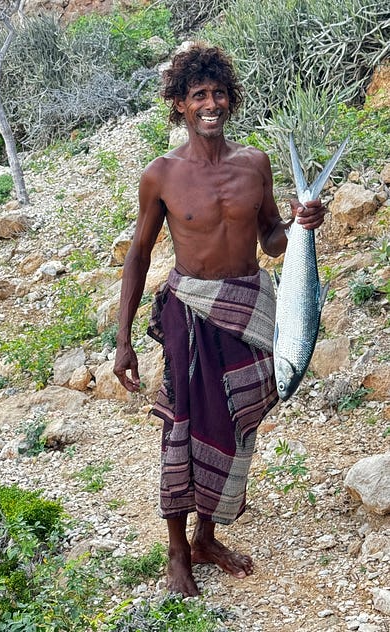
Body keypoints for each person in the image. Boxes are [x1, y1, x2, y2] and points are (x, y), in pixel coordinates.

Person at [113, 43, 327, 597]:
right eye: (198, 95)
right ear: (180, 105)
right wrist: (123, 341)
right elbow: (138, 255)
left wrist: (304, 226)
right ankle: (178, 549)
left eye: (219, 93)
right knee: (182, 427)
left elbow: (273, 239)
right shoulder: (160, 175)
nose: (211, 103)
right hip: (192, 314)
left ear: (230, 100)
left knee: (236, 425)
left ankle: (208, 535)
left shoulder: (254, 164)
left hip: (250, 309)